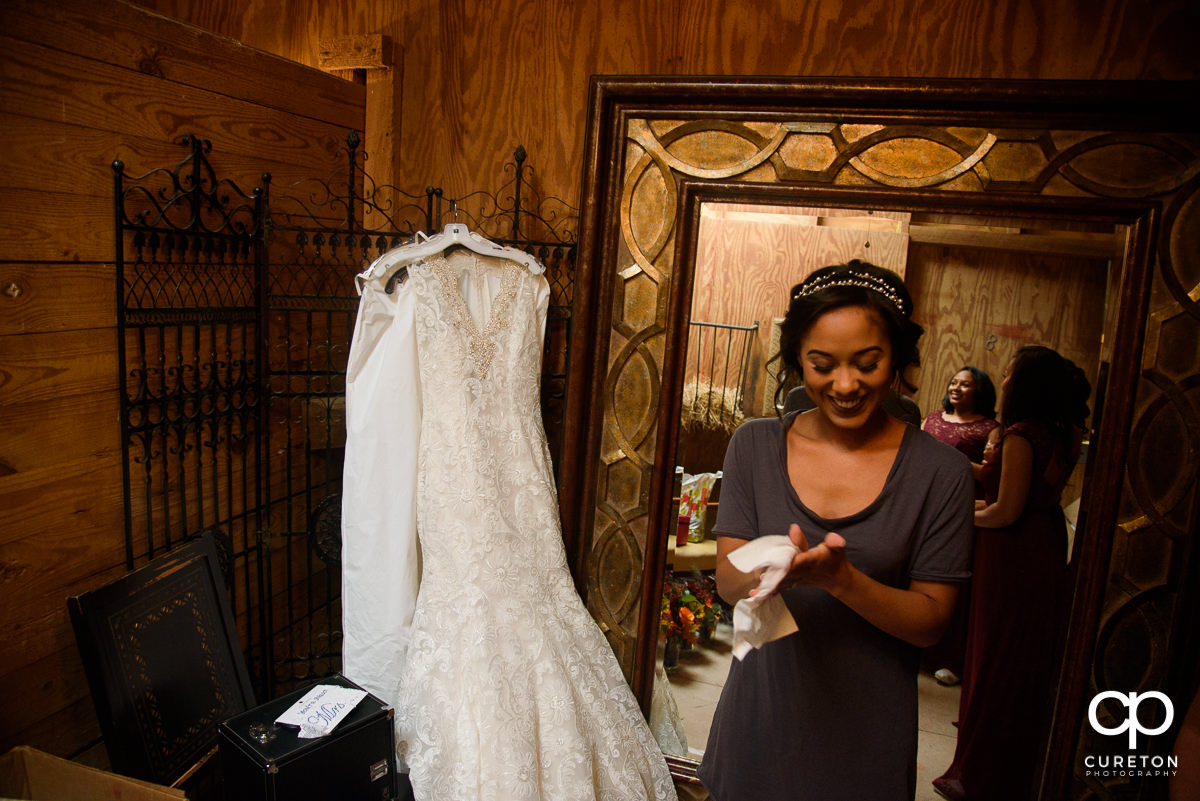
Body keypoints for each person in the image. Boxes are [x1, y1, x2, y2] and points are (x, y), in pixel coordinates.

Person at [697, 260, 975, 801]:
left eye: (867, 363)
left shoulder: (940, 473)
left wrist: (841, 580)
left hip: (865, 736)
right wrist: (781, 565)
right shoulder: (754, 446)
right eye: (822, 364)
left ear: (895, 359)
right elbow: (730, 584)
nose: (845, 385)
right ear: (798, 359)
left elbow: (931, 622)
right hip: (759, 722)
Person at [933, 345, 1091, 801]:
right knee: (1021, 651)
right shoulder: (1065, 431)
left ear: (1026, 384)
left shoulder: (1022, 434)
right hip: (1043, 539)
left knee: (995, 653)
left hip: (1012, 550)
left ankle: (982, 771)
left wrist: (957, 516)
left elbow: (1005, 512)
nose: (1002, 381)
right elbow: (1025, 495)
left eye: (1008, 373)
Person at [920, 367, 999, 686]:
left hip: (966, 508)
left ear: (979, 391)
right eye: (953, 382)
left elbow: (994, 474)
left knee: (953, 580)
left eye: (966, 384)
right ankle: (918, 649)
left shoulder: (991, 428)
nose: (956, 387)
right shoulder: (932, 419)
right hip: (927, 505)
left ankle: (950, 659)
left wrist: (958, 465)